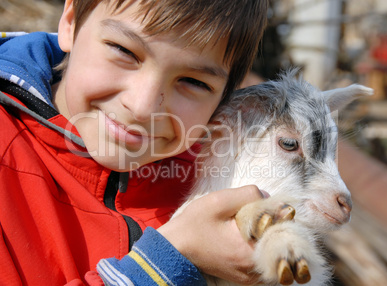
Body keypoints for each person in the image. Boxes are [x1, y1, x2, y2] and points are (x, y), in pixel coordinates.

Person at [0, 0, 268, 285]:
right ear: (71, 22)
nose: (144, 107)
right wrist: (168, 262)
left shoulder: (222, 178)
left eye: (194, 82)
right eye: (124, 50)